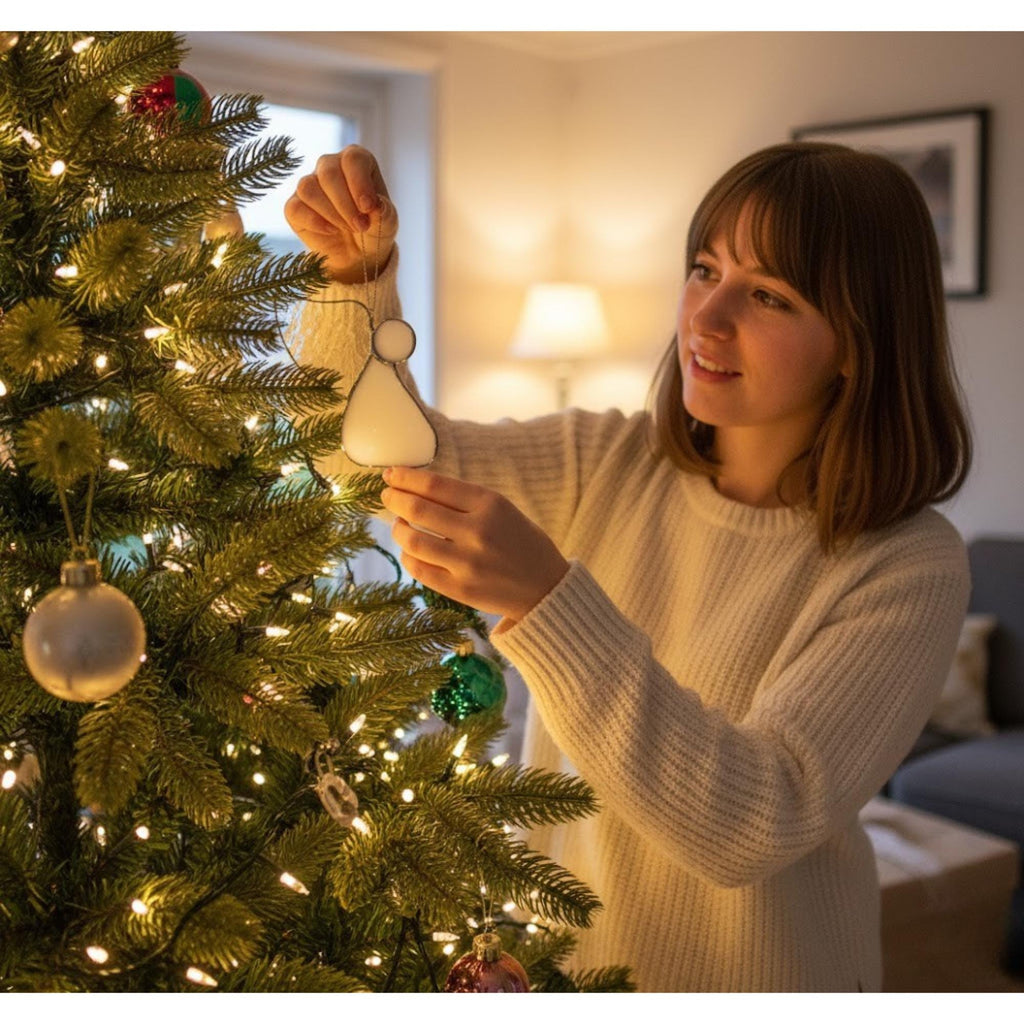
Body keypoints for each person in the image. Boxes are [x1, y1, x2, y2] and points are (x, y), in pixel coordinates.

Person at [285, 141, 973, 992]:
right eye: (704, 269)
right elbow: (367, 467)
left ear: (858, 345)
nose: (705, 319)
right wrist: (354, 278)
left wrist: (548, 599)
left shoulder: (906, 565)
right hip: (560, 972)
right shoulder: (609, 458)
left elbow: (751, 825)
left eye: (768, 295)